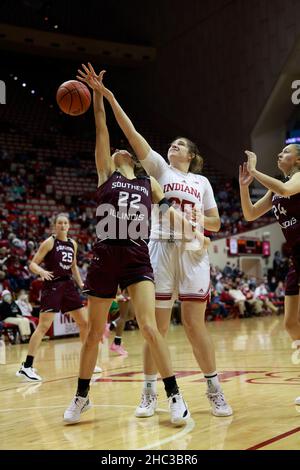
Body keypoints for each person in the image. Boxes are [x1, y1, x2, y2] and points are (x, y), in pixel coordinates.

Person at [63, 64, 208, 425]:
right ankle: (81, 398)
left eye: (123, 151)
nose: (119, 151)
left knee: (149, 327)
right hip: (105, 253)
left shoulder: (151, 186)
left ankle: (174, 396)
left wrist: (195, 231)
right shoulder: (105, 173)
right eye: (117, 150)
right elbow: (101, 127)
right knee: (93, 332)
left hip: (136, 256)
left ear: (132, 160)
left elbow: (171, 214)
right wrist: (98, 93)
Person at [90, 67, 232, 418]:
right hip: (159, 247)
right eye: (172, 143)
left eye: (180, 145)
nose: (174, 146)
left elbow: (215, 221)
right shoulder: (158, 169)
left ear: (192, 156)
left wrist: (199, 222)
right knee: (158, 327)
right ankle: (150, 391)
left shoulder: (201, 182)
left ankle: (214, 388)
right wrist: (108, 97)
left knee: (195, 324)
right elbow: (130, 132)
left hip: (193, 250)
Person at [239, 144, 300, 404]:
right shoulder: (276, 189)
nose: (279, 154)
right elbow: (250, 213)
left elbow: (286, 189)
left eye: (286, 152)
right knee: (289, 323)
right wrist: (244, 185)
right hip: (295, 259)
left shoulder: (295, 180)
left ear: (298, 159)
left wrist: (255, 169)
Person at [16, 213, 101, 382]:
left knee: (84, 323)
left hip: (68, 286)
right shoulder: (49, 242)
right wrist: (41, 271)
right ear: (55, 226)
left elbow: (74, 267)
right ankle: (26, 367)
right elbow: (32, 264)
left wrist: (82, 285)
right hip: (52, 286)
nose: (62, 226)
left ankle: (87, 361)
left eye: (65, 223)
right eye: (59, 223)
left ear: (69, 226)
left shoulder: (73, 244)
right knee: (43, 326)